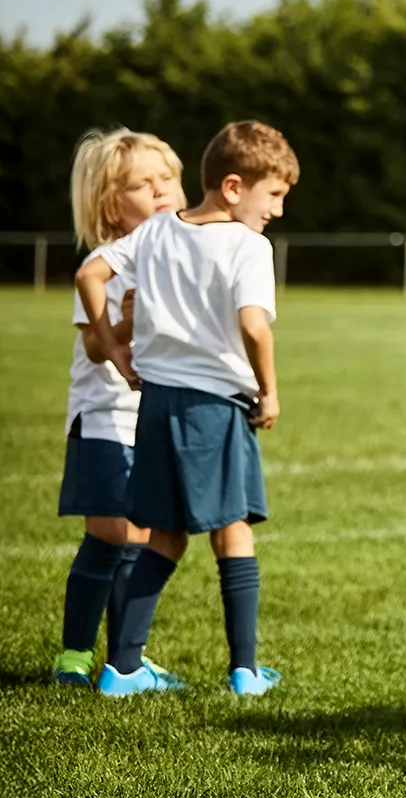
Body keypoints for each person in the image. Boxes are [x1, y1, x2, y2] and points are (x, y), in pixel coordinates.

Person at [77, 119, 299, 699]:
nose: (276, 209)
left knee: (165, 537)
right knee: (235, 531)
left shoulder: (154, 234)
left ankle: (122, 669)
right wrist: (269, 390)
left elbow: (90, 272)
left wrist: (114, 346)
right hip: (215, 409)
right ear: (232, 187)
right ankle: (246, 672)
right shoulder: (249, 246)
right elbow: (254, 325)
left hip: (155, 408)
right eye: (272, 194)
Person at [53, 129, 186, 686]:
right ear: (112, 203)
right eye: (143, 184)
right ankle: (76, 654)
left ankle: (123, 660)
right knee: (112, 533)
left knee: (136, 536)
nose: (161, 190)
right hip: (106, 414)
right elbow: (94, 345)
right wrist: (127, 321)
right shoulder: (110, 262)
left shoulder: (174, 256)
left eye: (168, 179)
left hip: (149, 419)